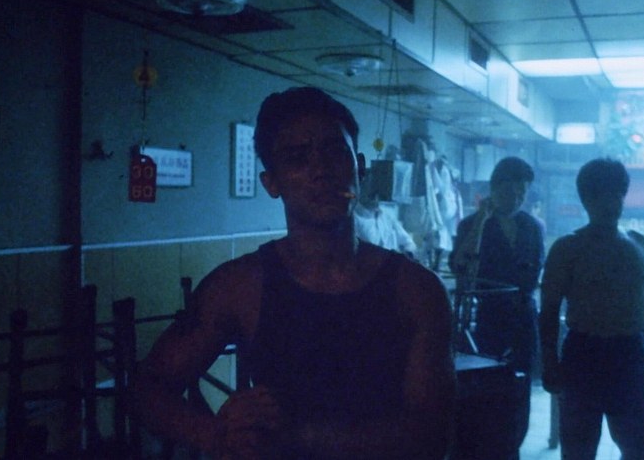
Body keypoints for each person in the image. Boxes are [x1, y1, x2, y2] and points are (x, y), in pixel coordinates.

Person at [133, 87, 456, 459]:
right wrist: (215, 436)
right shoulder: (241, 286)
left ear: (359, 167)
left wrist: (298, 437)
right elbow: (146, 389)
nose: (320, 170)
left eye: (334, 151)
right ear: (271, 182)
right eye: (297, 157)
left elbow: (432, 437)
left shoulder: (416, 291)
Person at [539, 157, 644, 459]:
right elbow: (549, 310)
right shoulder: (567, 248)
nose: (612, 203)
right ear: (587, 200)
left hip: (630, 353)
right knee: (579, 449)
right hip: (584, 354)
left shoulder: (637, 242)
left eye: (618, 194)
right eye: (603, 196)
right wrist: (549, 363)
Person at [448, 156, 545, 459]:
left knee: (519, 399)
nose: (516, 198)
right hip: (485, 323)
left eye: (522, 193)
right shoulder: (472, 224)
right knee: (483, 399)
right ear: (494, 189)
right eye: (509, 191)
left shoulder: (532, 227)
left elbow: (534, 274)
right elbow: (462, 268)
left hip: (521, 322)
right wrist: (481, 219)